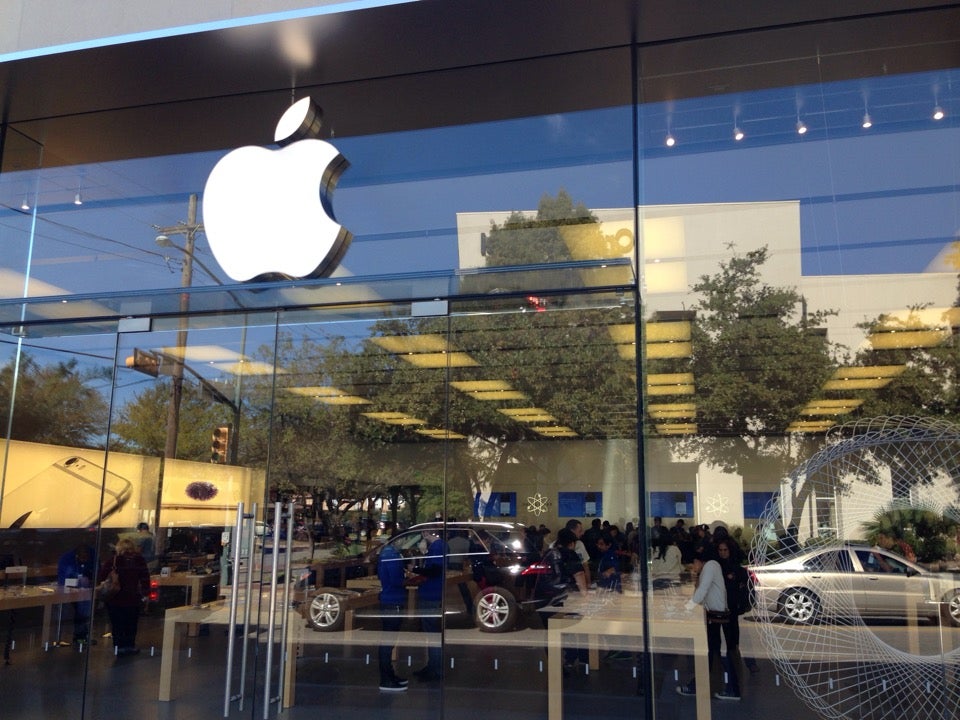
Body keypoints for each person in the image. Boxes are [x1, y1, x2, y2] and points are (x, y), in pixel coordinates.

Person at [676, 548, 741, 702]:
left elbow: (702, 591)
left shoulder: (711, 566)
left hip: (720, 618)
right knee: (714, 654)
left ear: (699, 561)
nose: (693, 567)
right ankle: (726, 688)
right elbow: (701, 590)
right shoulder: (711, 567)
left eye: (693, 564)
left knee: (717, 654)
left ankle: (728, 689)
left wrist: (687, 608)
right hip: (717, 616)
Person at [98, 537, 150, 656]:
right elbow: (145, 578)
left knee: (117, 624)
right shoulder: (139, 560)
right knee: (131, 623)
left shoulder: (113, 560)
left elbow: (102, 577)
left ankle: (118, 647)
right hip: (133, 598)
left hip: (115, 598)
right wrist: (146, 594)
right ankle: (129, 646)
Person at [377, 526, 409, 692]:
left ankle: (389, 675)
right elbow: (397, 580)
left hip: (389, 599)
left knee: (388, 641)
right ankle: (386, 679)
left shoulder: (386, 553)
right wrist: (410, 579)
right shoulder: (392, 555)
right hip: (393, 600)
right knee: (388, 642)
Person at [412, 529, 447, 681]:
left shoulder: (437, 547)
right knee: (431, 632)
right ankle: (432, 666)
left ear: (427, 533)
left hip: (430, 593)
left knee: (432, 633)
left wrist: (415, 569)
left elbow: (434, 570)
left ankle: (435, 669)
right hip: (432, 592)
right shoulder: (438, 547)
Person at [57, 544, 96, 645]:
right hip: (73, 591)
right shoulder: (67, 560)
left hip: (85, 591)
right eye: (82, 558)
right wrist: (77, 581)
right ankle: (80, 637)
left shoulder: (92, 556)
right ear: (77, 556)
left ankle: (82, 636)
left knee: (83, 613)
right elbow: (63, 580)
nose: (84, 560)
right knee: (81, 614)